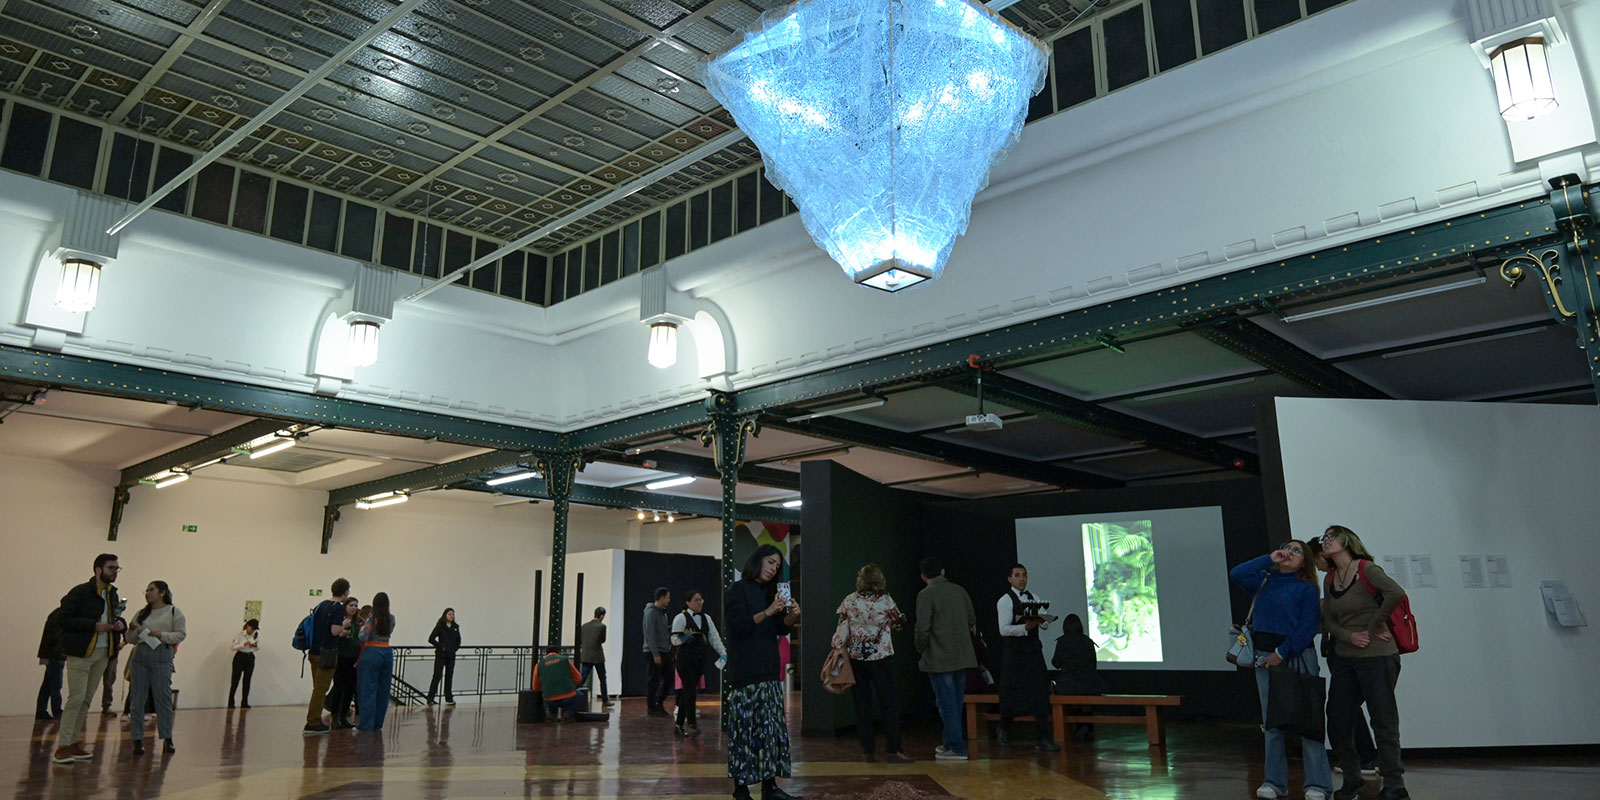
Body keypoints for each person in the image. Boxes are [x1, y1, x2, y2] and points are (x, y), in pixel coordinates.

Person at [1230, 543, 1334, 800]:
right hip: (1264, 656)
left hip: (1297, 655)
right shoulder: (1264, 580)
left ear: (1305, 561)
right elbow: (1237, 573)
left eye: (1296, 551)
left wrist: (1282, 652)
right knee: (1272, 721)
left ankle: (1318, 784)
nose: (1289, 552)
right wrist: (1269, 558)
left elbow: (1308, 626)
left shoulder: (1307, 588)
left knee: (1308, 720)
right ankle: (1274, 782)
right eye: (1286, 548)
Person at [1320, 526, 1409, 800]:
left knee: (1383, 720)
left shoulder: (1366, 569)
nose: (1326, 541)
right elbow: (1329, 619)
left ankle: (1395, 785)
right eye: (1324, 538)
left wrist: (1375, 625)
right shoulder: (1330, 578)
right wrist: (1348, 635)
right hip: (1346, 657)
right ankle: (1353, 778)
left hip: (1377, 656)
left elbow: (1396, 593)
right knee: (1337, 718)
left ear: (1348, 541)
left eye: (1332, 536)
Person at [724, 544, 803, 800]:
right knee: (745, 731)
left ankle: (770, 787)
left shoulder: (770, 593)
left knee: (770, 731)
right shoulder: (738, 589)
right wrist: (767, 612)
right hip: (746, 673)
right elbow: (736, 626)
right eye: (770, 562)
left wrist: (792, 616)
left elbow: (780, 628)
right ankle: (741, 790)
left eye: (777, 566)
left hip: (769, 671)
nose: (772, 569)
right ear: (757, 560)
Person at [1309, 541, 1380, 775]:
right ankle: (1363, 759)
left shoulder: (1356, 574)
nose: (1317, 568)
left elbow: (1392, 596)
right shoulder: (1332, 579)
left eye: (1316, 562)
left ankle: (1366, 758)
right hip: (1339, 647)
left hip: (1350, 650)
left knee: (1349, 706)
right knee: (1346, 707)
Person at [52, 553, 126, 765]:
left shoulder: (113, 594)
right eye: (111, 568)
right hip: (81, 653)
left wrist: (120, 625)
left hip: (103, 653)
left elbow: (114, 617)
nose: (115, 572)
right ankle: (62, 746)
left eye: (117, 568)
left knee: (86, 699)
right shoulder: (80, 592)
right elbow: (63, 619)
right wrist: (93, 626)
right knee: (76, 698)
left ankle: (73, 742)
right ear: (98, 569)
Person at [832, 564, 911, 763]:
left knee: (862, 705)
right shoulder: (886, 601)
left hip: (856, 659)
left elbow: (840, 634)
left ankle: (867, 750)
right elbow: (897, 623)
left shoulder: (850, 600)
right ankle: (893, 750)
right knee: (889, 704)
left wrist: (839, 647)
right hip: (881, 658)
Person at [914, 556, 977, 762]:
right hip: (962, 655)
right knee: (955, 702)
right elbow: (972, 619)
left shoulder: (925, 595)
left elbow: (922, 628)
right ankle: (949, 742)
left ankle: (957, 748)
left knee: (945, 703)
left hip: (939, 656)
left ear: (923, 576)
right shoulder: (960, 591)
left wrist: (920, 648)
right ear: (943, 572)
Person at [995, 564, 1060, 751]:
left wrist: (1043, 620)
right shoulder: (1005, 601)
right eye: (1017, 575)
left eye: (1024, 575)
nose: (1022, 579)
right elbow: (1003, 629)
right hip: (1014, 654)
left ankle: (1042, 737)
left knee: (1041, 692)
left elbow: (1044, 624)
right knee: (1011, 692)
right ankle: (1004, 728)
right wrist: (1025, 627)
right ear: (1010, 579)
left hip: (1033, 652)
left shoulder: (1035, 598)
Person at [125, 580, 186, 756]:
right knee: (137, 699)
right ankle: (137, 739)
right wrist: (131, 630)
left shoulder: (174, 612)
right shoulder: (141, 613)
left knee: (163, 699)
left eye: (151, 590)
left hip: (162, 655)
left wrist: (162, 634)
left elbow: (180, 634)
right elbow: (131, 639)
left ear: (162, 592)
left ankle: (167, 738)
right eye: (146, 590)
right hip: (140, 656)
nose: (147, 593)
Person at [671, 590, 726, 737]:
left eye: (701, 600)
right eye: (696, 600)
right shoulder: (680, 618)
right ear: (688, 602)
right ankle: (692, 724)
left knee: (687, 692)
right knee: (690, 691)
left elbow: (714, 637)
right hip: (685, 661)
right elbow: (674, 639)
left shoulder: (706, 618)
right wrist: (685, 638)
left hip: (699, 662)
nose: (700, 603)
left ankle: (678, 725)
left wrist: (723, 653)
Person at [304, 578, 351, 735]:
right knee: (321, 688)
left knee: (317, 688)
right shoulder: (338, 608)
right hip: (327, 653)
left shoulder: (321, 605)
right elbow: (334, 631)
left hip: (314, 651)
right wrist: (344, 626)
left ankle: (314, 720)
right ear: (345, 592)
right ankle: (313, 722)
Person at [1051, 613, 1108, 740]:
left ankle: (1079, 727)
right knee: (1086, 702)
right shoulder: (1088, 641)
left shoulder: (1062, 642)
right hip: (1089, 684)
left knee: (1071, 699)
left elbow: (1055, 663)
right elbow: (1093, 664)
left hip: (1068, 685)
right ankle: (1087, 727)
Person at [355, 592, 396, 732]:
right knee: (383, 690)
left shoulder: (372, 619)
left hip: (372, 652)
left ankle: (366, 724)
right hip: (387, 652)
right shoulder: (391, 618)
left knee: (368, 689)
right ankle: (378, 723)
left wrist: (362, 626)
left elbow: (362, 636)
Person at [329, 598, 361, 729]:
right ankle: (335, 716)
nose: (354, 608)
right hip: (341, 658)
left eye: (356, 606)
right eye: (351, 605)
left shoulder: (358, 623)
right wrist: (342, 633)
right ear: (345, 606)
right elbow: (333, 636)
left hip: (353, 658)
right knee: (339, 687)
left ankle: (343, 716)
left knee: (350, 688)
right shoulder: (339, 621)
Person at [643, 587, 674, 718]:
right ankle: (651, 707)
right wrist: (655, 654)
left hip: (664, 650)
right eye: (667, 597)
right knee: (653, 680)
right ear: (661, 597)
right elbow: (650, 634)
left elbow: (662, 631)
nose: (669, 600)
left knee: (669, 677)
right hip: (653, 651)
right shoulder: (650, 613)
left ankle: (659, 702)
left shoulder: (663, 613)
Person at [532, 647, 585, 721]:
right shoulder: (565, 660)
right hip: (568, 697)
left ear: (546, 654)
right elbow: (578, 678)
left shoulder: (538, 665)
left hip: (549, 700)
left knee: (545, 698)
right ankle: (568, 713)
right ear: (559, 652)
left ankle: (550, 713)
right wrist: (571, 686)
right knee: (580, 695)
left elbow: (535, 687)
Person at [427, 608, 461, 705]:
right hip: (441, 655)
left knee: (449, 676)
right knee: (437, 675)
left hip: (451, 655)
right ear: (445, 615)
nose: (451, 616)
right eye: (449, 614)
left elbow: (458, 640)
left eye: (453, 614)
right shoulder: (440, 626)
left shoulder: (455, 627)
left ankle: (448, 697)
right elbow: (431, 638)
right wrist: (441, 646)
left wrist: (454, 648)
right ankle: (431, 697)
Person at [36, 608, 65, 720]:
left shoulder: (56, 614)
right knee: (55, 685)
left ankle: (41, 712)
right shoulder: (61, 616)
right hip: (55, 655)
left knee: (47, 686)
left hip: (51, 654)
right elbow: (55, 637)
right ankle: (57, 711)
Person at [579, 607, 610, 706]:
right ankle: (605, 700)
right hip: (597, 656)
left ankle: (575, 695)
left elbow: (581, 639)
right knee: (602, 678)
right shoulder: (602, 626)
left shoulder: (584, 626)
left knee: (582, 678)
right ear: (601, 616)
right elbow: (602, 640)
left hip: (586, 655)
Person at [228, 619, 259, 709]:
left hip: (250, 657)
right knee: (235, 680)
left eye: (254, 629)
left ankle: (244, 702)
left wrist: (255, 646)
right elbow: (233, 647)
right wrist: (243, 644)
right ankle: (231, 702)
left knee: (247, 681)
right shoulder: (240, 635)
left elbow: (257, 648)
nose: (252, 630)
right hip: (240, 656)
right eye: (252, 628)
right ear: (248, 626)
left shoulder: (255, 635)